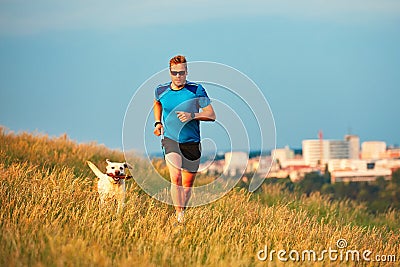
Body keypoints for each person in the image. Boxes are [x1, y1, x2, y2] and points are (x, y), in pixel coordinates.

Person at [153, 55, 216, 223]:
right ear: (170, 73)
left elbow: (211, 115)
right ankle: (179, 216)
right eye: (174, 73)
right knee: (176, 179)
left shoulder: (196, 90)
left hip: (192, 142)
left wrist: (192, 116)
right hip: (171, 140)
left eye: (181, 73)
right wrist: (158, 123)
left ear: (187, 72)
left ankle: (182, 211)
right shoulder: (161, 90)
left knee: (187, 186)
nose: (178, 76)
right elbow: (157, 103)